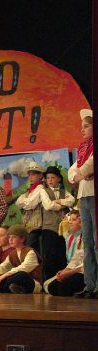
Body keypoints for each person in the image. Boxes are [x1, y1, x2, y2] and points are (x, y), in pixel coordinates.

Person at [68, 108, 97, 299]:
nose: (82, 130)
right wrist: (79, 175)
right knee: (87, 242)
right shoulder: (82, 149)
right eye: (82, 127)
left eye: (86, 126)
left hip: (94, 195)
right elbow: (73, 172)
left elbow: (88, 166)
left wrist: (82, 173)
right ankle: (90, 285)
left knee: (96, 241)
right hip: (84, 196)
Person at [0, 224, 42, 294]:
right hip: (16, 283)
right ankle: (12, 289)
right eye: (9, 237)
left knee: (21, 274)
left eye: (14, 237)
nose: (10, 240)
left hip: (32, 283)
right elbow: (4, 265)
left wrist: (4, 275)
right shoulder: (13, 253)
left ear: (22, 239)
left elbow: (23, 268)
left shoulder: (30, 252)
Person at [39, 166, 75, 279]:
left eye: (53, 177)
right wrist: (63, 205)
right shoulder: (43, 191)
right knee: (50, 255)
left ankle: (61, 278)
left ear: (59, 179)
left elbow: (72, 200)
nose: (50, 180)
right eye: (48, 178)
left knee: (61, 253)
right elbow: (48, 205)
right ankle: (48, 279)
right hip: (49, 228)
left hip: (63, 229)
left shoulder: (64, 191)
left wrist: (59, 201)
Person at [15, 161, 45, 255]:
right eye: (29, 174)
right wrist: (26, 201)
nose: (30, 177)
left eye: (33, 174)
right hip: (29, 225)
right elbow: (18, 203)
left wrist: (25, 201)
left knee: (31, 250)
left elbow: (30, 204)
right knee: (30, 250)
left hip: (36, 226)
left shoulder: (40, 188)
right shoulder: (31, 190)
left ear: (40, 175)